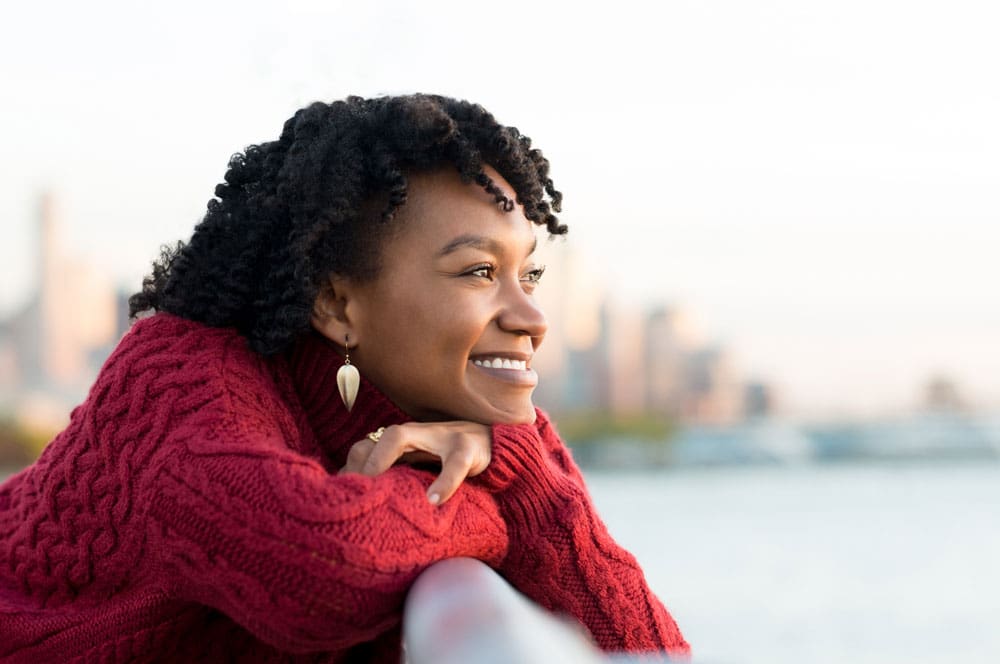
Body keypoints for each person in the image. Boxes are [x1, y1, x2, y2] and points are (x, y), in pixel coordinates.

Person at [0, 94, 690, 662]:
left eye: (529, 274)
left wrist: (512, 463)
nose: (532, 316)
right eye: (480, 272)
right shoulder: (179, 384)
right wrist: (487, 498)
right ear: (336, 304)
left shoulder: (481, 427)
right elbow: (327, 567)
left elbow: (647, 649)